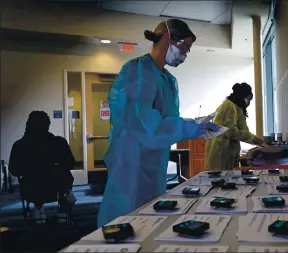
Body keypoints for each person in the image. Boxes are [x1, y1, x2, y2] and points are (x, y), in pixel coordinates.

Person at [97, 19, 218, 227]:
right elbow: (144, 126)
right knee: (126, 220)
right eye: (184, 47)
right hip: (132, 160)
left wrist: (196, 124)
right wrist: (188, 127)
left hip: (154, 161)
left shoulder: (168, 81)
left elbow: (165, 121)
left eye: (188, 50)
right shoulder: (137, 71)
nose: (185, 54)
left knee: (149, 217)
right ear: (166, 37)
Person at [8, 111, 76, 223]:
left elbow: (14, 170)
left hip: (30, 191)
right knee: (63, 174)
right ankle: (63, 208)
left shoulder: (19, 146)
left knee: (34, 180)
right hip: (56, 189)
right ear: (47, 126)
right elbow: (70, 164)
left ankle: (39, 209)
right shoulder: (58, 142)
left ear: (28, 126)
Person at [205, 82, 265, 171]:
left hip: (227, 153)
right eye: (248, 99)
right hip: (220, 152)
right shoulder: (229, 106)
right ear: (242, 96)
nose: (248, 103)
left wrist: (257, 141)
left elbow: (244, 131)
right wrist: (257, 140)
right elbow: (231, 132)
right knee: (221, 178)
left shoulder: (237, 109)